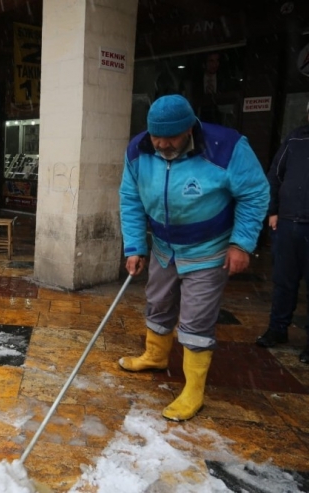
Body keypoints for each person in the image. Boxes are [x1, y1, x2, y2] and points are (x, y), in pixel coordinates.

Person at [118, 94, 269, 421]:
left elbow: (255, 193)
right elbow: (130, 198)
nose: (161, 144)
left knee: (196, 317)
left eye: (170, 137)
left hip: (209, 248)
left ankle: (193, 390)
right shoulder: (139, 149)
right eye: (156, 136)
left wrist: (241, 244)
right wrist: (134, 246)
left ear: (189, 129)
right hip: (163, 246)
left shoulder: (226, 146)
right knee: (157, 300)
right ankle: (156, 356)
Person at [257, 101, 309, 364]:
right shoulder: (296, 138)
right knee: (283, 282)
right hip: (288, 224)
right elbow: (275, 175)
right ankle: (277, 329)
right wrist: (273, 210)